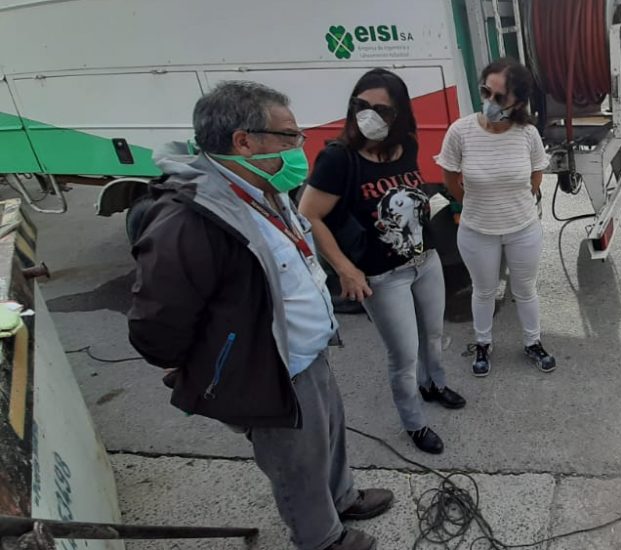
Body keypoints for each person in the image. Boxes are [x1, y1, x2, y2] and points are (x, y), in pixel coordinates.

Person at [128, 81, 390, 550]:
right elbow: (156, 322)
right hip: (267, 368)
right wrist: (204, 364)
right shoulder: (189, 220)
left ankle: (341, 496)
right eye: (289, 136)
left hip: (306, 352)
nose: (300, 146)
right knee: (294, 461)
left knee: (327, 432)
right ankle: (320, 538)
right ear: (243, 142)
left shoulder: (262, 186)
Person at [300, 68, 464, 455]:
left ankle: (434, 384)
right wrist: (345, 268)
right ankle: (414, 421)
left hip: (425, 259)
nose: (368, 115)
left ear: (400, 116)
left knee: (434, 335)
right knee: (404, 355)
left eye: (382, 110)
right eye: (361, 106)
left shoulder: (405, 145)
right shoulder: (337, 159)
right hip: (382, 275)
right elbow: (309, 214)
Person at [436, 57, 556, 377]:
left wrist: (514, 203)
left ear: (518, 101)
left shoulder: (527, 134)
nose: (489, 102)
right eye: (485, 92)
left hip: (523, 230)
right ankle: (483, 343)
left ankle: (533, 343)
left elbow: (536, 175)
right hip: (477, 230)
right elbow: (449, 176)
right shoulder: (460, 132)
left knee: (525, 289)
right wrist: (469, 203)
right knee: (484, 290)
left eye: (499, 97)